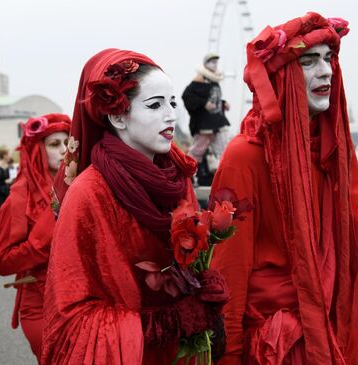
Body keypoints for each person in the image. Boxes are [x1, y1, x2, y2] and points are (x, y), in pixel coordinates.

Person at [209, 13, 358, 364]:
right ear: (279, 76)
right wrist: (228, 356)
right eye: (308, 61)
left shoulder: (329, 149)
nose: (326, 71)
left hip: (326, 327)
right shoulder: (244, 155)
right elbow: (229, 268)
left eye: (329, 58)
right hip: (275, 346)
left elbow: (319, 242)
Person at [43, 49, 228, 364]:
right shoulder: (90, 192)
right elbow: (69, 324)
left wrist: (204, 288)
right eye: (155, 105)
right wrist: (168, 322)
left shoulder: (177, 178)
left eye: (172, 103)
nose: (170, 115)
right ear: (117, 116)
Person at [0, 113, 71, 363]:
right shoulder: (19, 198)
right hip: (40, 306)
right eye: (54, 144)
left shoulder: (84, 186)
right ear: (38, 149)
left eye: (67, 142)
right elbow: (3, 263)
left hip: (82, 302)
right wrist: (40, 242)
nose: (63, 150)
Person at [182, 53, 231, 186]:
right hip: (205, 124)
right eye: (212, 62)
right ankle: (188, 176)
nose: (215, 64)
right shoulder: (200, 78)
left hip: (217, 121)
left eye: (216, 62)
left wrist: (223, 103)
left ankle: (224, 180)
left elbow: (214, 98)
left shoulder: (215, 80)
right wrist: (203, 103)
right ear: (205, 64)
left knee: (223, 151)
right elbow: (187, 96)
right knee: (197, 151)